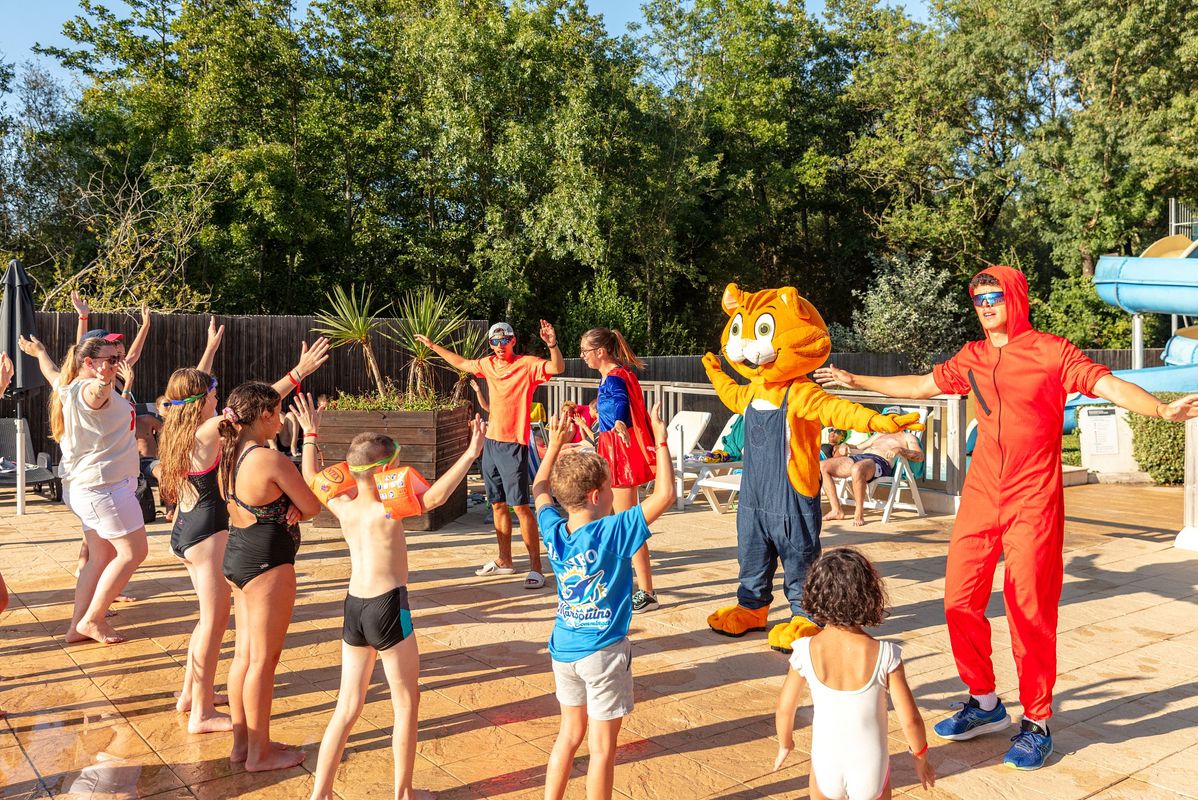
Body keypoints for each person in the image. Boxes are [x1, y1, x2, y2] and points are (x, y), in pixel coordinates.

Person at [815, 265, 1198, 770]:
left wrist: (1160, 410)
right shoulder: (972, 356)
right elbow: (922, 385)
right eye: (978, 299)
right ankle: (986, 703)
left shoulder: (1052, 351)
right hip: (980, 495)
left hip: (1032, 499)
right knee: (958, 601)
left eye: (995, 296)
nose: (987, 305)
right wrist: (853, 379)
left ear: (1015, 296)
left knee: (1029, 609)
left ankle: (1036, 720)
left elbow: (1108, 385)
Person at [308, 415, 486, 800]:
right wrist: (471, 452)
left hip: (354, 607)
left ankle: (319, 794)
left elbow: (313, 476)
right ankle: (403, 793)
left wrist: (309, 435)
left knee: (347, 706)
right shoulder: (388, 510)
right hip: (388, 607)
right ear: (387, 469)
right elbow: (436, 497)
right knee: (406, 701)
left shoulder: (343, 506)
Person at [535, 402, 676, 800]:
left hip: (563, 649)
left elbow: (540, 489)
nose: (617, 491)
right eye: (612, 486)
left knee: (569, 735)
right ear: (597, 495)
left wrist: (554, 445)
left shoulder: (554, 530)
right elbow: (665, 494)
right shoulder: (614, 531)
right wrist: (661, 440)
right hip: (603, 654)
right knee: (602, 750)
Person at [219, 374, 325, 771]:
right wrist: (311, 438)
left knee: (244, 656)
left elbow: (265, 499)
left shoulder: (230, 454)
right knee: (264, 661)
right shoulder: (268, 458)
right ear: (263, 414)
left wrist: (287, 504)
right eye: (278, 413)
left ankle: (243, 745)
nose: (281, 421)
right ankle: (260, 755)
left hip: (238, 557)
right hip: (267, 563)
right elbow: (313, 505)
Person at [773, 548, 935, 799]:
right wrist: (920, 756)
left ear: (814, 594)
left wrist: (786, 744)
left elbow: (785, 708)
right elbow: (911, 719)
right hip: (871, 766)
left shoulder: (805, 650)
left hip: (826, 762)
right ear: (869, 596)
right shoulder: (885, 654)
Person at [415, 320, 565, 589]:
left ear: (513, 341)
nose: (498, 346)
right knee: (496, 503)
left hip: (513, 444)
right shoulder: (487, 364)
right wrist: (433, 346)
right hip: (492, 443)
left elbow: (556, 368)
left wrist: (552, 344)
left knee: (520, 506)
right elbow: (461, 363)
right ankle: (504, 561)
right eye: (494, 342)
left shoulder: (527, 365)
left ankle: (536, 567)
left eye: (503, 341)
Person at [49, 337, 147, 645]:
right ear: (89, 363)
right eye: (111, 358)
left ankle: (77, 625)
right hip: (104, 490)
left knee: (102, 555)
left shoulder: (71, 386)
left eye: (117, 357)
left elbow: (55, 368)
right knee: (134, 552)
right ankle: (93, 619)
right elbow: (97, 395)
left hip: (92, 489)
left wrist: (40, 352)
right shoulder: (87, 389)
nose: (118, 361)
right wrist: (104, 383)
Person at [579, 327, 660, 612]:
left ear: (601, 352)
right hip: (614, 452)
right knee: (616, 522)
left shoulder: (614, 378)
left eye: (586, 352)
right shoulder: (617, 375)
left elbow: (620, 406)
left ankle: (647, 592)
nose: (583, 357)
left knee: (629, 524)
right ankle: (621, 581)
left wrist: (618, 422)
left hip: (620, 455)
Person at [819, 417, 924, 526]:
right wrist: (846, 445)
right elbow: (858, 447)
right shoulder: (879, 434)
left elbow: (920, 456)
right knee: (823, 466)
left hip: (880, 462)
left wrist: (900, 450)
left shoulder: (908, 437)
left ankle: (859, 513)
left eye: (894, 419)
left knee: (857, 469)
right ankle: (836, 510)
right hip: (861, 457)